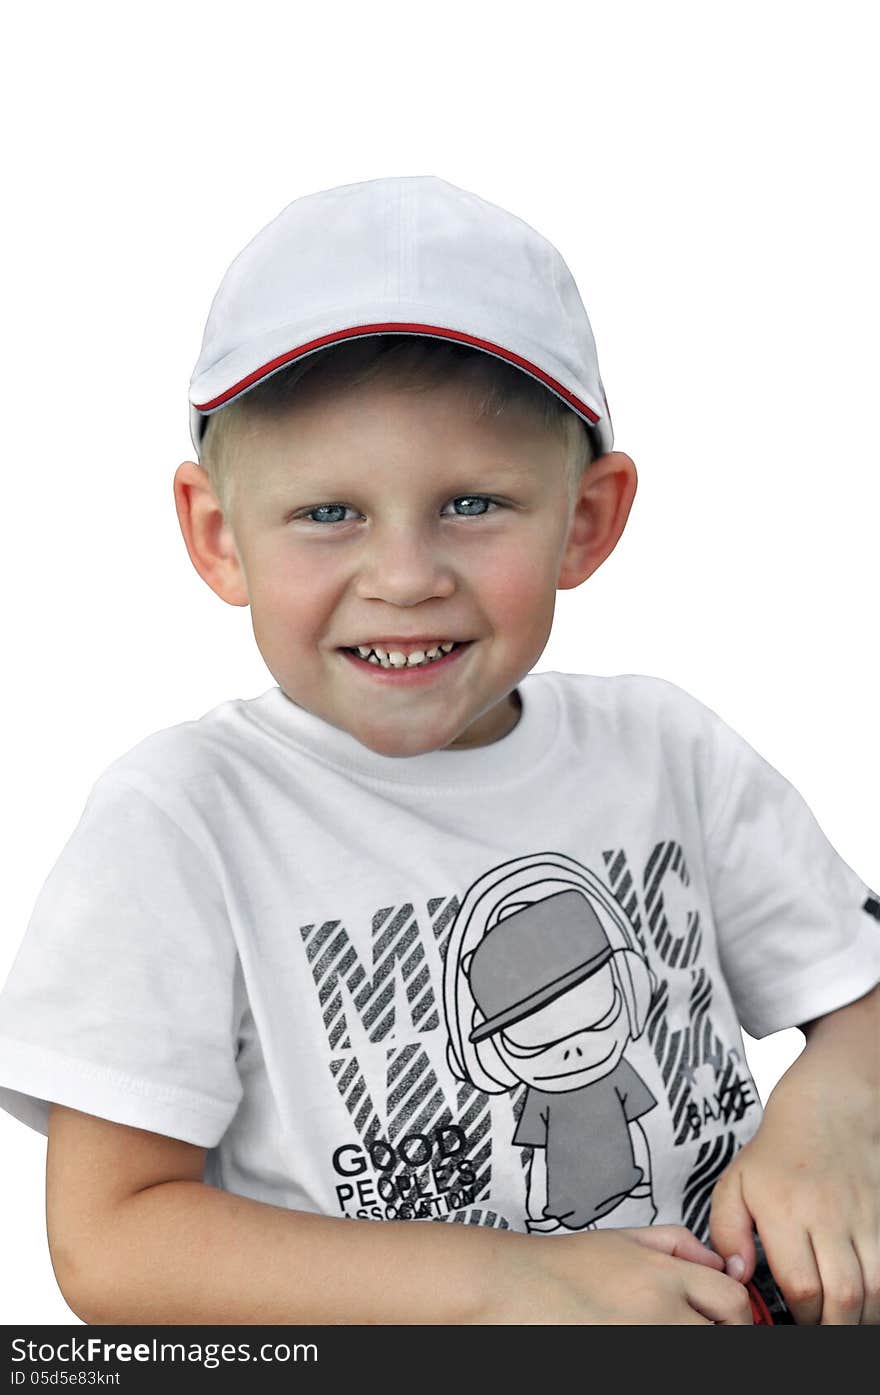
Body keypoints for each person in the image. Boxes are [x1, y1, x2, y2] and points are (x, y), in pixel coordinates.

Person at [0, 175, 878, 1326]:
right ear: (220, 538)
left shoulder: (667, 751)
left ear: (587, 520)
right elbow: (113, 1244)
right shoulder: (181, 822)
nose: (405, 576)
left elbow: (858, 1001)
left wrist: (837, 1107)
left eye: (471, 502)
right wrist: (504, 1286)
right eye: (329, 513)